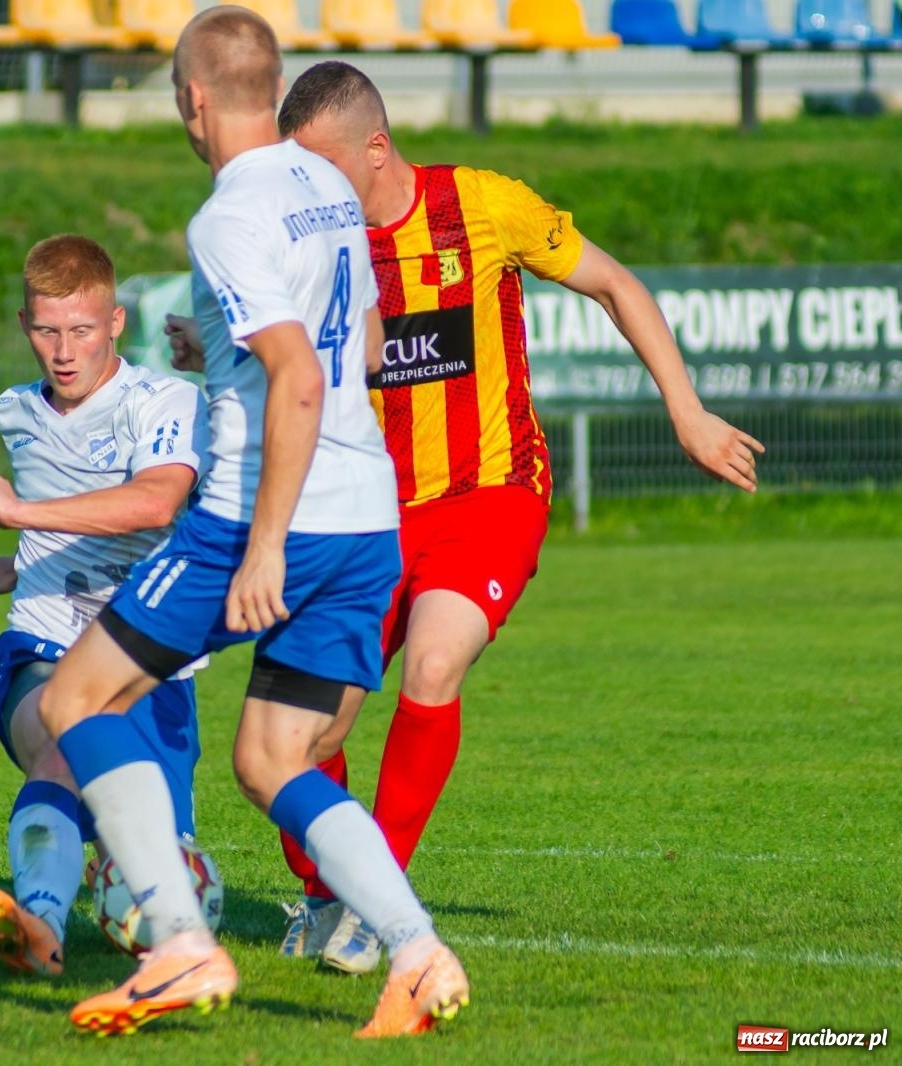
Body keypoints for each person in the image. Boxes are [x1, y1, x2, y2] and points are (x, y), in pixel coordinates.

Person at [243, 59, 763, 973]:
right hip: (363, 511)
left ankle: (376, 900)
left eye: (322, 168)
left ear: (377, 145)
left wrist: (685, 408)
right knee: (307, 738)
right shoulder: (309, 240)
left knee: (435, 665)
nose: (309, 189)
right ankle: (330, 891)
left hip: (490, 492)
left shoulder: (481, 206)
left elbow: (615, 285)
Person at [35, 6, 471, 1040]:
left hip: (262, 514)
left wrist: (264, 540)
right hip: (369, 521)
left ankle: (179, 937)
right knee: (272, 757)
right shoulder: (327, 184)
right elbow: (357, 347)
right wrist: (222, 350)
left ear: (192, 100)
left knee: (76, 695)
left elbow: (296, 378)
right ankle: (416, 952)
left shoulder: (225, 216)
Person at [0, 234, 210, 979]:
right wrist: (25, 566)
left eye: (80, 330)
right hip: (41, 644)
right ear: (23, 326)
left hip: (152, 660)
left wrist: (23, 524)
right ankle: (37, 922)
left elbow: (156, 501)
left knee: (164, 863)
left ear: (116, 324)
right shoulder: (16, 409)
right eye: (46, 330)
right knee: (62, 742)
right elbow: (64, 507)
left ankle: (159, 938)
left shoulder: (164, 401)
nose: (63, 351)